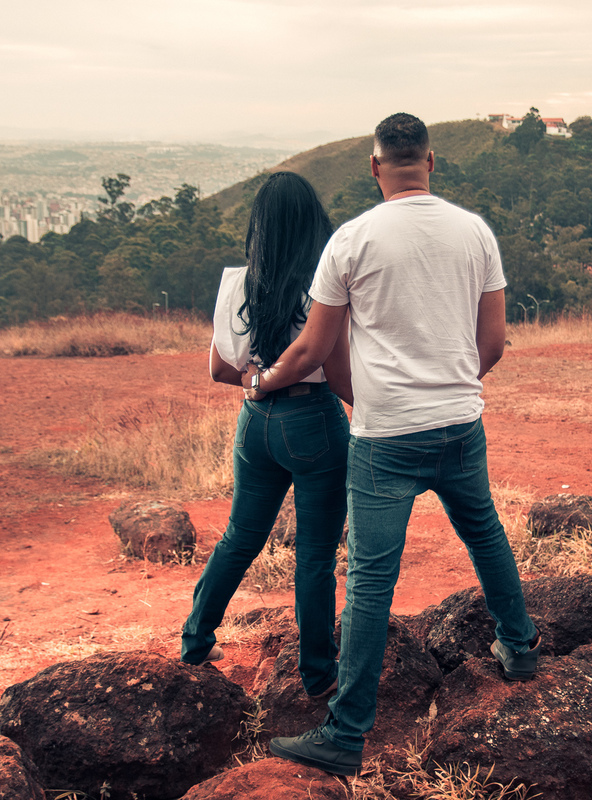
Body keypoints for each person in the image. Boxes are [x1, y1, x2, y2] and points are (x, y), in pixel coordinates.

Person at [244, 113, 539, 777]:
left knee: (373, 581)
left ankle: (346, 736)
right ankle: (519, 652)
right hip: (460, 423)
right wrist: (452, 389)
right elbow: (492, 343)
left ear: (376, 167)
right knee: (485, 535)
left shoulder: (351, 241)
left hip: (385, 436)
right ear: (431, 162)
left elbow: (315, 349)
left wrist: (263, 383)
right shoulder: (475, 232)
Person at [181, 171, 351, 701]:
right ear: (311, 226)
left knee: (240, 536)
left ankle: (195, 639)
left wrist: (257, 381)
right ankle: (319, 672)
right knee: (316, 554)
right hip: (314, 420)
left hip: (255, 423)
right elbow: (339, 374)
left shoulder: (237, 283)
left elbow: (217, 368)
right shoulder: (320, 288)